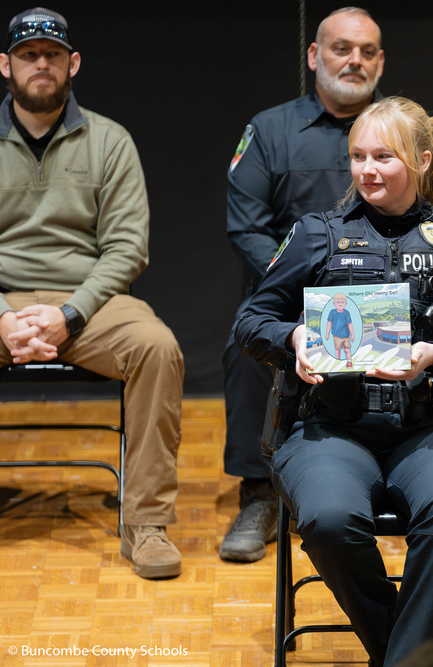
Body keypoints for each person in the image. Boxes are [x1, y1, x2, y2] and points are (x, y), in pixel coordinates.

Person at [235, 96, 433, 666]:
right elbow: (251, 320)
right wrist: (292, 338)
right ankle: (410, 655)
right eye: (358, 156)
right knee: (328, 517)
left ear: (420, 158)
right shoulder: (317, 235)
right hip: (333, 429)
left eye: (383, 157)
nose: (367, 170)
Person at [221, 6, 433, 562]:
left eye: (368, 51)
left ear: (381, 60)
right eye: (341, 48)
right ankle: (259, 491)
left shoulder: (411, 130)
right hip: (296, 293)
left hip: (396, 297)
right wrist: (312, 296)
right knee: (250, 342)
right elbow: (247, 225)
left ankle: (408, 469)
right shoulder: (270, 130)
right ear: (314, 56)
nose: (355, 60)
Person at [0, 8, 184, 579]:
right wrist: (2, 317)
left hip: (87, 301)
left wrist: (69, 314)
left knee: (157, 347)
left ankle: (146, 524)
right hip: (1, 297)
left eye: (52, 55)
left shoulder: (109, 140)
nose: (41, 65)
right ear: (5, 65)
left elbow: (128, 249)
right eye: (28, 54)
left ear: (72, 64)